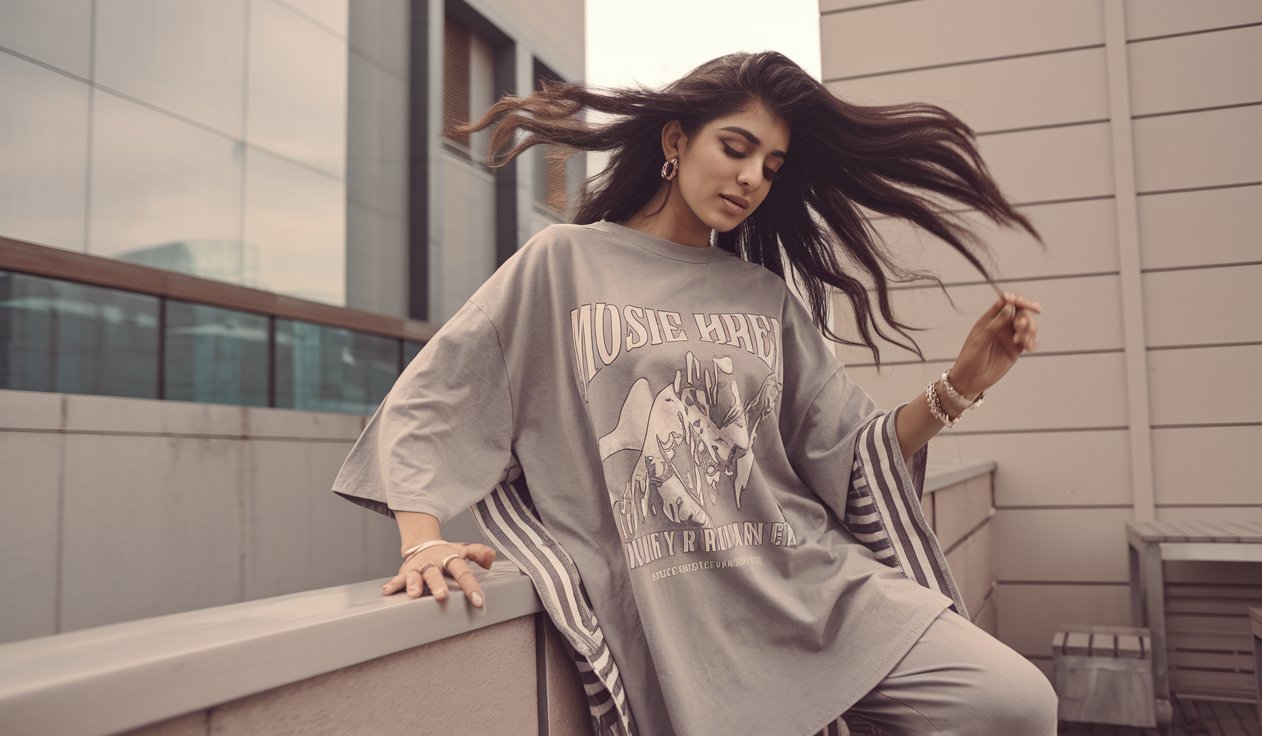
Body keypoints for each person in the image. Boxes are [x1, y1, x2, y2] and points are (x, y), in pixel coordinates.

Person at [331, 51, 1057, 735]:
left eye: (770, 166)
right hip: (682, 617)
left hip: (816, 588)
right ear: (676, 140)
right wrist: (420, 543)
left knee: (1015, 702)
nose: (751, 178)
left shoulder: (764, 297)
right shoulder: (564, 263)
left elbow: (845, 453)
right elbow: (439, 395)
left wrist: (960, 385)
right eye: (735, 149)